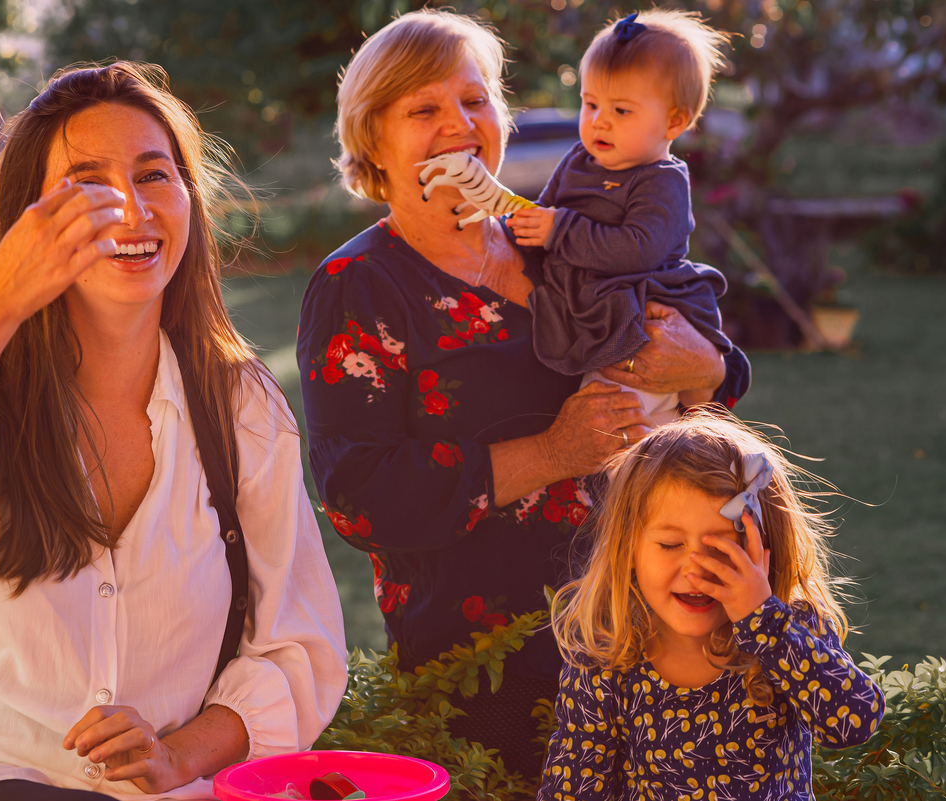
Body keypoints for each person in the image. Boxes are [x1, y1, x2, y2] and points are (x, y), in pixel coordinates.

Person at [297, 9, 749, 780]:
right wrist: (552, 453)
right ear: (374, 140)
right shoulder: (360, 287)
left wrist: (706, 368)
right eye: (423, 109)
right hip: (490, 667)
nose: (458, 127)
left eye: (475, 101)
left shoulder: (558, 240)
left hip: (646, 638)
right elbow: (359, 495)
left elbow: (698, 372)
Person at [0, 63, 347, 801]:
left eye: (154, 174)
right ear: (31, 216)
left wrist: (178, 756)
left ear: (190, 200)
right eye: (87, 180)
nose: (130, 208)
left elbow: (298, 643)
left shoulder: (240, 407)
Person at [539, 410, 884, 801]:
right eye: (671, 545)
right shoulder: (608, 655)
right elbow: (576, 788)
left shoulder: (788, 632)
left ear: (763, 549)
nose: (695, 569)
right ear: (628, 549)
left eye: (721, 547)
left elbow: (851, 723)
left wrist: (764, 622)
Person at [507, 10, 735, 426]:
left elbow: (637, 250)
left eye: (622, 110)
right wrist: (515, 225)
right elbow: (541, 215)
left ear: (675, 120)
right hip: (590, 306)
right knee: (595, 416)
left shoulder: (661, 181)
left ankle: (652, 471)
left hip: (640, 313)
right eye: (590, 103)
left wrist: (560, 229)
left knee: (631, 425)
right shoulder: (579, 158)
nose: (600, 120)